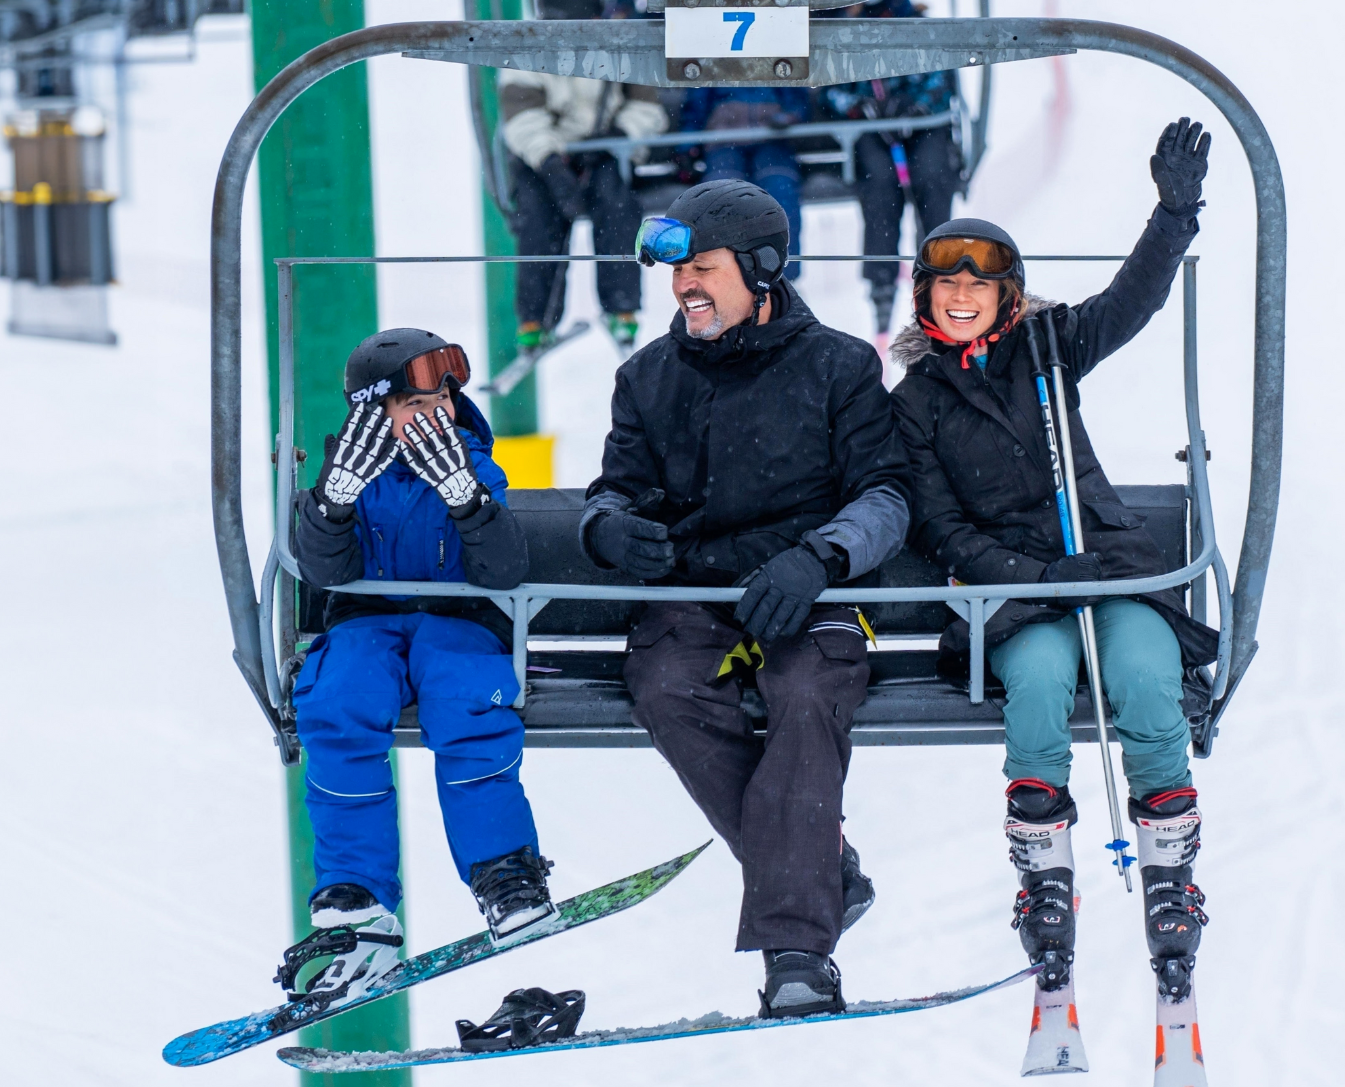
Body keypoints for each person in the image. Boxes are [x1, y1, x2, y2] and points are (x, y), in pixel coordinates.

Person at [889, 120, 1220, 1003]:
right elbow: (938, 526)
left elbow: (1131, 301)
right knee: (1036, 684)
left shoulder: (1048, 347)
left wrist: (1173, 214)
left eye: (980, 283)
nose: (963, 295)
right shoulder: (915, 400)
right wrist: (1029, 576)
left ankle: (1168, 875)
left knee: (1144, 677)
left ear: (1008, 296)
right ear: (924, 296)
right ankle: (1042, 875)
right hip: (1013, 592)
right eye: (947, 283)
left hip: (1105, 563)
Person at [581, 180, 910, 1017]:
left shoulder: (838, 367)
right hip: (696, 592)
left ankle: (796, 952)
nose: (684, 285)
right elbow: (615, 488)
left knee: (804, 693)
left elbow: (884, 493)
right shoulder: (648, 377)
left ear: (760, 271)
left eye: (703, 267)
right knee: (665, 686)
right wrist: (607, 529)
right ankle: (819, 871)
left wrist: (820, 556)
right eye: (677, 270)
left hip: (810, 591)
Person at [285, 328, 551, 1010]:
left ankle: (504, 872)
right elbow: (325, 569)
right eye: (415, 405)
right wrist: (334, 500)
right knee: (337, 702)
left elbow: (503, 568)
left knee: (466, 701)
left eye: (444, 401)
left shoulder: (472, 465)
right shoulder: (349, 474)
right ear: (373, 415)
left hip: (457, 619)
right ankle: (358, 894)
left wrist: (465, 496)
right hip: (365, 620)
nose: (436, 415)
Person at [498, 0, 668, 353]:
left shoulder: (622, 43)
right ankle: (536, 318)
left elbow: (646, 106)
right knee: (538, 215)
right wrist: (550, 162)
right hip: (543, 155)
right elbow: (522, 119)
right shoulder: (525, 48)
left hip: (605, 150)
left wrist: (619, 136)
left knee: (616, 206)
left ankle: (621, 306)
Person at [821, 0, 963, 344]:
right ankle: (881, 281)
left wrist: (917, 106)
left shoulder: (916, 24)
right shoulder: (843, 28)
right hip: (871, 126)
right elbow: (829, 83)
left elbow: (941, 76)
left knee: (931, 176)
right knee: (879, 183)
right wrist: (860, 107)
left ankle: (941, 267)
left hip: (924, 122)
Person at [679, 87, 810, 279]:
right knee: (719, 198)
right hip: (724, 139)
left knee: (779, 190)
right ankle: (723, 276)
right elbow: (696, 104)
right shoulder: (713, 68)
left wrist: (790, 115)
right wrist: (687, 147)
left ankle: (781, 276)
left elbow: (796, 91)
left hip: (772, 137)